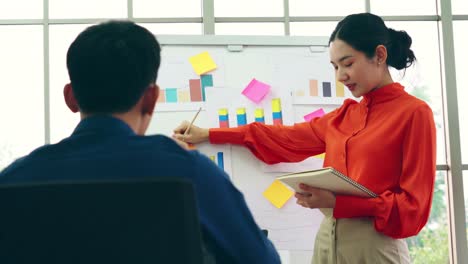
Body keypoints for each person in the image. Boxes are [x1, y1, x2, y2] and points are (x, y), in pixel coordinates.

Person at [0, 20, 280, 264]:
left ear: (70, 97)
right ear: (151, 98)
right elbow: (259, 260)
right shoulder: (190, 172)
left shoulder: (15, 179)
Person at [173, 13, 436, 264]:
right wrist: (209, 134)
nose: (340, 76)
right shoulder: (343, 117)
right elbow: (283, 138)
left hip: (375, 248)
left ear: (379, 55)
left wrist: (339, 203)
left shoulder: (413, 113)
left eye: (348, 64)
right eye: (335, 67)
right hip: (325, 242)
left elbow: (413, 208)